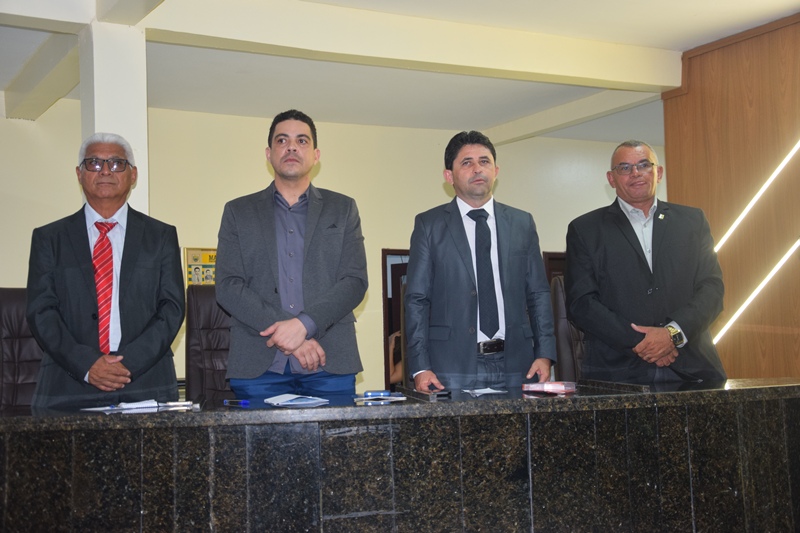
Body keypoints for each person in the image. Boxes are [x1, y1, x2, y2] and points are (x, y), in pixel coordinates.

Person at [216, 109, 368, 399]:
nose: (291, 147)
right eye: (282, 140)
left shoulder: (343, 208)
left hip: (330, 361)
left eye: (302, 141)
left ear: (316, 155)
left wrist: (303, 325)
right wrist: (291, 336)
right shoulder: (238, 211)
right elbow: (228, 286)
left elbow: (354, 281)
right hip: (259, 365)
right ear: (269, 153)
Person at [26, 132, 185, 409]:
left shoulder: (161, 236)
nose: (106, 171)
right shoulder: (49, 238)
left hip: (146, 381)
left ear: (133, 175)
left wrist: (127, 364)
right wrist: (87, 364)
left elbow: (172, 308)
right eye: (94, 163)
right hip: (68, 383)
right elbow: (41, 311)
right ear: (79, 174)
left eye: (117, 163)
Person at [404, 131, 556, 392]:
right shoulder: (429, 225)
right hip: (450, 366)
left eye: (484, 161)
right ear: (449, 176)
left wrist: (545, 353)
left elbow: (538, 294)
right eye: (467, 162)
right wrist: (420, 366)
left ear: (496, 171)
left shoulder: (522, 223)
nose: (477, 169)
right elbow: (417, 300)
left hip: (518, 364)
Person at [565, 140, 726, 383]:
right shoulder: (585, 229)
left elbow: (712, 289)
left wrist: (672, 335)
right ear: (611, 179)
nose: (635, 173)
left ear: (658, 173)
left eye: (643, 165)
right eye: (624, 167)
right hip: (617, 374)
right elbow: (582, 303)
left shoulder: (692, 221)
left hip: (692, 369)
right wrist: (644, 343)